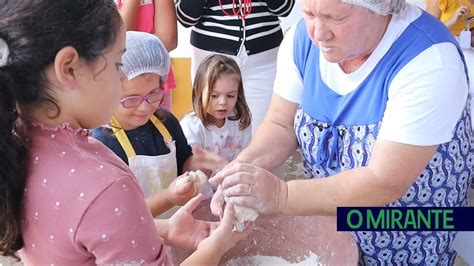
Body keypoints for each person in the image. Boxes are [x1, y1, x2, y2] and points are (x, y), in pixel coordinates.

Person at [209, 0, 474, 265]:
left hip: (409, 232)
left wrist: (281, 195)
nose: (318, 32)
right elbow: (281, 125)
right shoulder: (302, 41)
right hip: (333, 222)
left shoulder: (430, 60)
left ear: (379, 7)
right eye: (309, 13)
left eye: (335, 18)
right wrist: (242, 171)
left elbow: (383, 181)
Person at [0, 0, 250, 264]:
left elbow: (83, 232)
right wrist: (218, 245)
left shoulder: (17, 144)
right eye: (118, 63)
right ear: (69, 68)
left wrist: (162, 228)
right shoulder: (106, 185)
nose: (122, 78)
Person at [93, 31, 227, 217]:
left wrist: (199, 163)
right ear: (106, 92)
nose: (145, 107)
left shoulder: (166, 123)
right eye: (131, 99)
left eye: (154, 94)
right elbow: (118, 215)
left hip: (176, 228)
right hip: (133, 235)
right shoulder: (101, 143)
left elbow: (183, 164)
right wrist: (168, 198)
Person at [176, 0, 295, 132]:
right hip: (211, 61)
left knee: (265, 132)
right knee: (210, 132)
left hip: (264, 61)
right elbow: (185, 17)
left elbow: (284, 8)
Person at [180, 54, 252, 162]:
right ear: (198, 91)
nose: (223, 102)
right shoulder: (191, 126)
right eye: (214, 96)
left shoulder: (240, 121)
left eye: (230, 96)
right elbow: (189, 165)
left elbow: (247, 157)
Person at [117, 0, 177, 110]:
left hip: (155, 86)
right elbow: (118, 43)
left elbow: (169, 40)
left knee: (160, 125)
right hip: (116, 86)